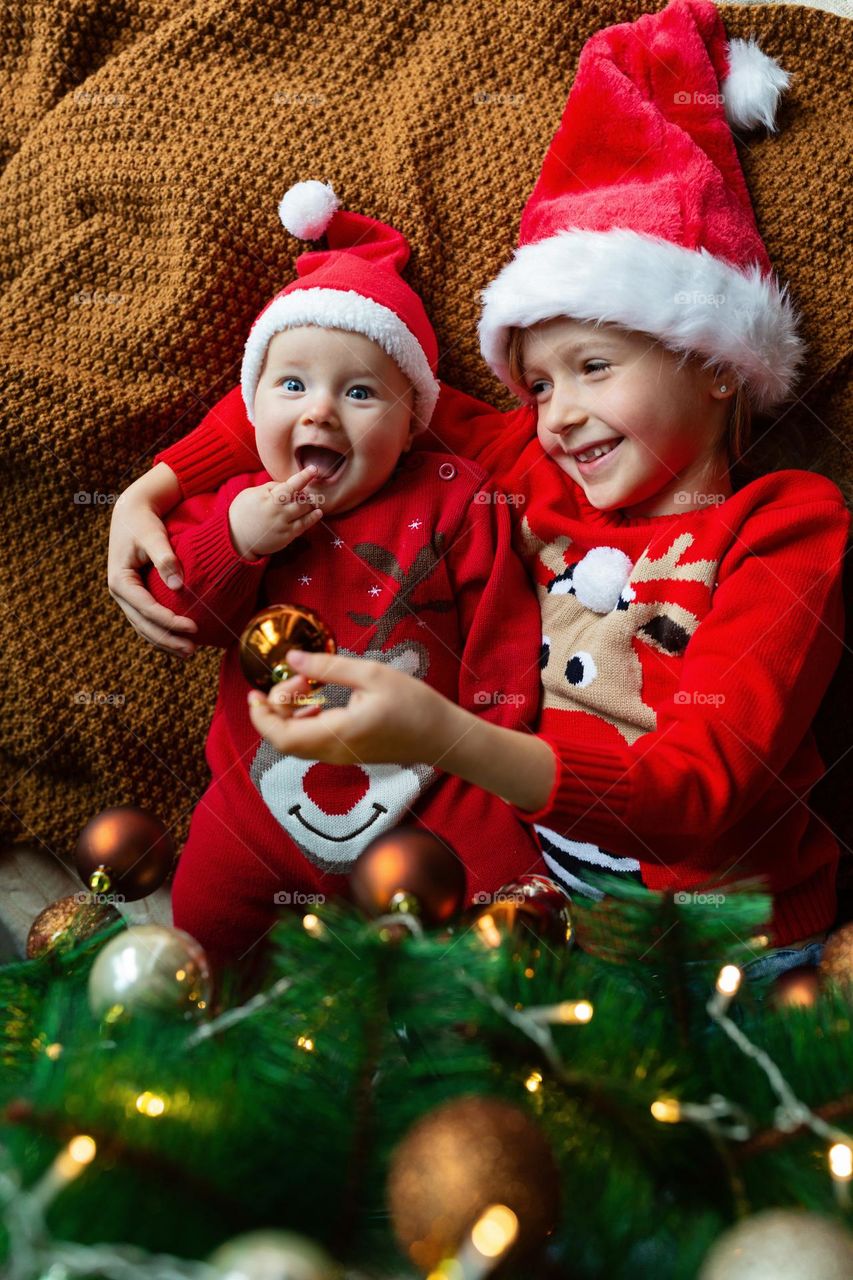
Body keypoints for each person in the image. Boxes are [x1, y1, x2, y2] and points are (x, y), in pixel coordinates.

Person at [110, 1, 849, 978]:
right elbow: (352, 387)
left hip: (726, 945)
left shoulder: (786, 524)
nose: (557, 412)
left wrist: (446, 738)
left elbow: (700, 790)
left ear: (714, 362)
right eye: (537, 383)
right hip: (549, 925)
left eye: (593, 365)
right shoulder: (533, 470)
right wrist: (153, 487)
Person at [136, 182, 547, 968]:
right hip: (265, 784)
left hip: (439, 785)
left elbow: (500, 621)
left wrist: (495, 742)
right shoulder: (233, 506)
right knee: (203, 910)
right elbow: (181, 616)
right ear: (251, 410)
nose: (320, 411)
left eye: (359, 393)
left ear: (412, 421)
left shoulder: (454, 495)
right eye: (291, 386)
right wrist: (235, 543)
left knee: (509, 898)